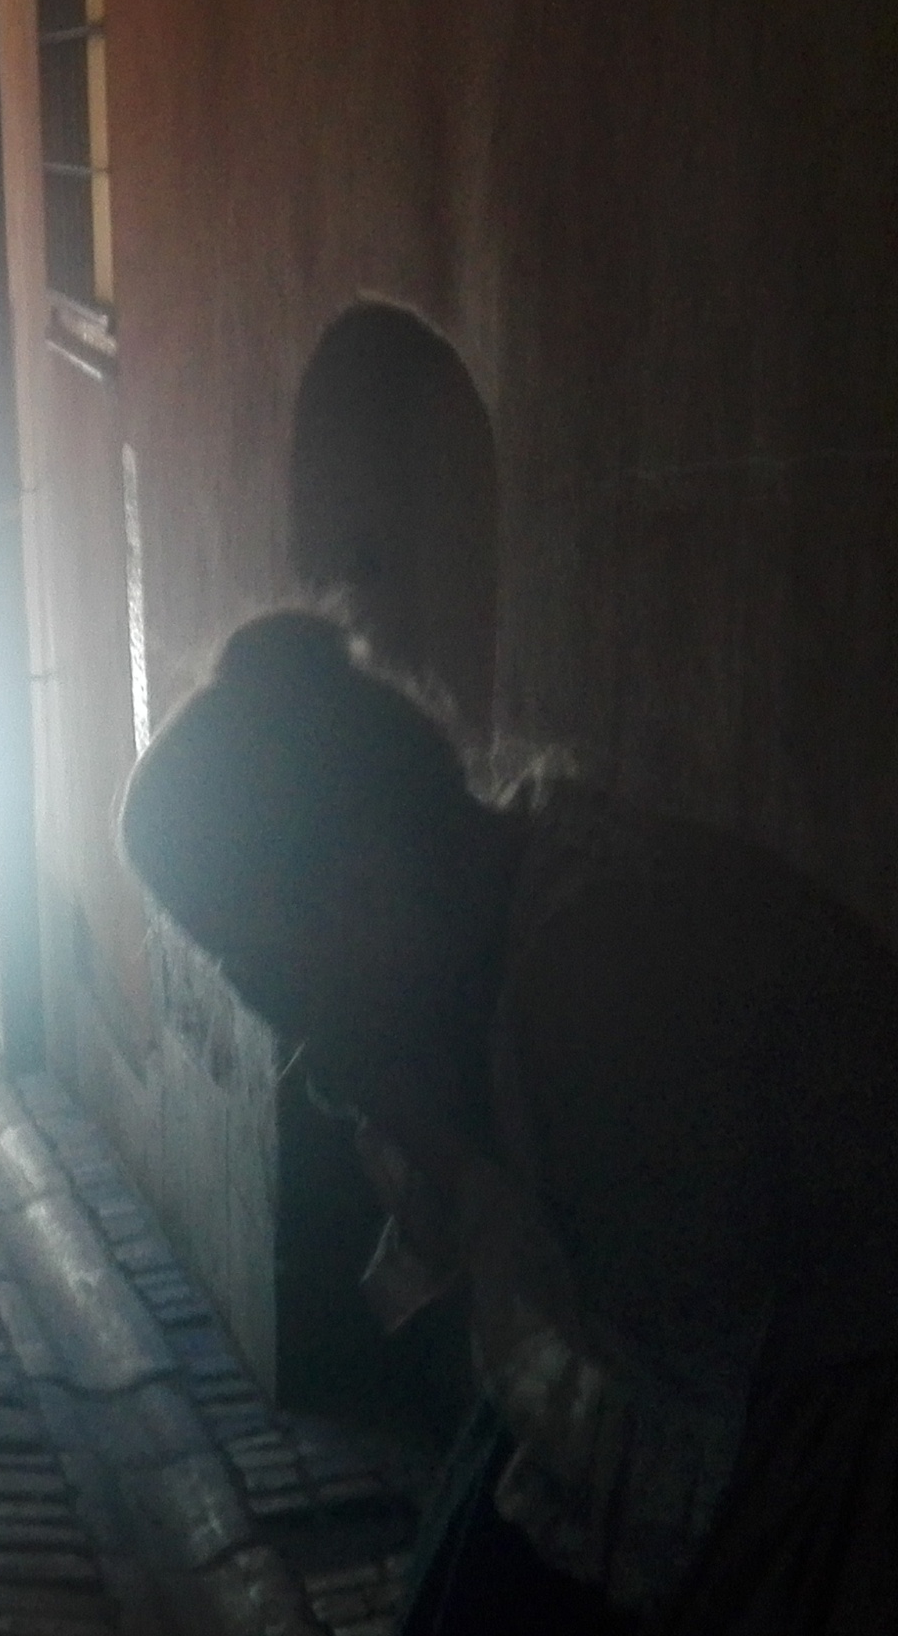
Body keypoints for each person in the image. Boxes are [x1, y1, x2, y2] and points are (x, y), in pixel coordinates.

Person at [118, 610, 898, 1633]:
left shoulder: (602, 980)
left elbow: (655, 1438)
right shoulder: (529, 909)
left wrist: (434, 1138)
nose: (271, 1014)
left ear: (361, 893)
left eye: (248, 960)